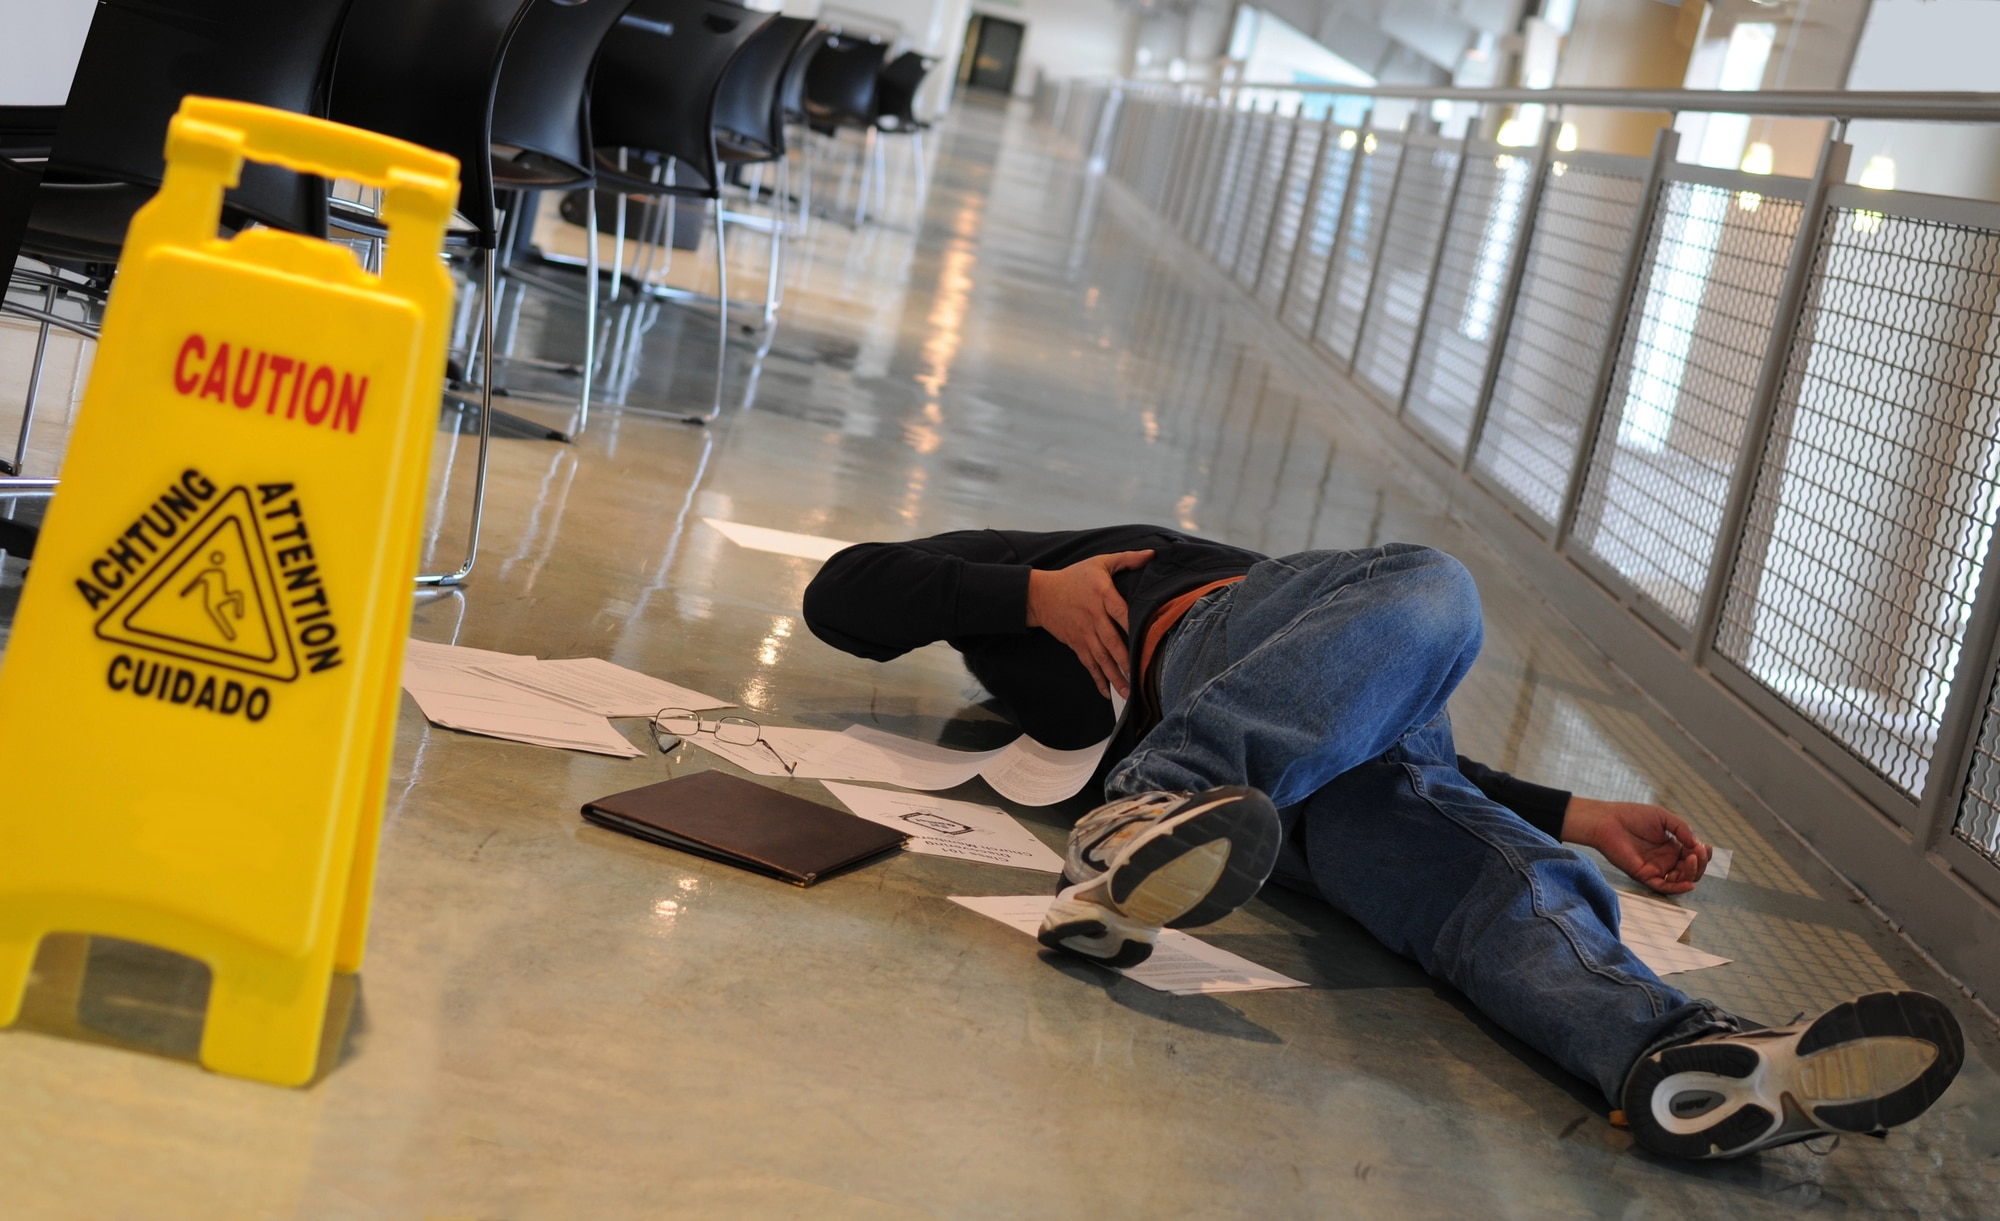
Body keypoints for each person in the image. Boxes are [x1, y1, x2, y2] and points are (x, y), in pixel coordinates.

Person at [803, 525, 1965, 1160]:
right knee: (1436, 606)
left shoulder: (1239, 607)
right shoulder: (1056, 571)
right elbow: (842, 589)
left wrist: (1570, 813)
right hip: (1228, 794)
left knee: (1460, 848)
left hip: (1247, 743)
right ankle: (1140, 817)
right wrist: (1027, 596)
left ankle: (1674, 1057)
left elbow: (1344, 700)